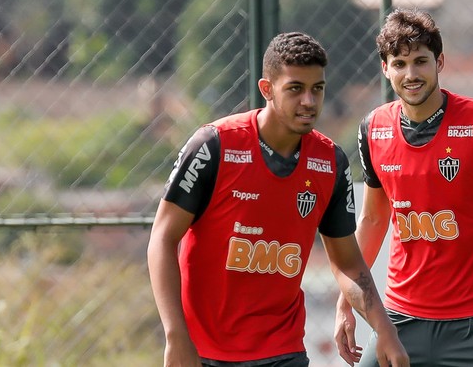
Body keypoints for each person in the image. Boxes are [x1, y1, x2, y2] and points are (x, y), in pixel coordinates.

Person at [147, 32, 408, 367]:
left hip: (282, 352)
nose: (309, 102)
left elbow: (347, 263)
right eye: (295, 89)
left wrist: (385, 331)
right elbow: (162, 239)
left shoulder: (331, 162)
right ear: (267, 89)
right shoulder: (213, 145)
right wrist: (175, 336)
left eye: (318, 89)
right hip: (203, 353)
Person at [333, 9, 473, 367]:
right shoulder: (373, 128)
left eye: (420, 61)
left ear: (440, 62)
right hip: (399, 320)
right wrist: (345, 302)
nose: (411, 74)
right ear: (385, 68)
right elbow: (372, 221)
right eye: (399, 63)